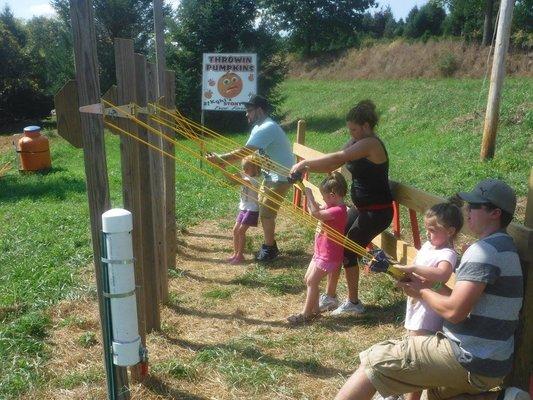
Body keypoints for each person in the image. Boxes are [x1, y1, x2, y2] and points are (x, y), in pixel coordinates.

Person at [334, 179, 528, 400]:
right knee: (432, 396)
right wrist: (426, 287)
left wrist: (421, 292)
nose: (467, 210)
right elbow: (466, 303)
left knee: (376, 362)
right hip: (492, 364)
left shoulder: (484, 251)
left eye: (474, 206)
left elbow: (455, 311)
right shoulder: (504, 247)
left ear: (495, 213)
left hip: (468, 358)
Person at [290, 100, 393, 315]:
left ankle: (354, 303)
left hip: (377, 211)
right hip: (362, 208)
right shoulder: (357, 140)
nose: (352, 134)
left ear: (366, 126)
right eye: (350, 130)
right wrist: (304, 166)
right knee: (337, 241)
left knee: (348, 250)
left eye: (354, 129)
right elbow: (331, 164)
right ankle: (330, 297)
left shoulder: (371, 143)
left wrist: (304, 164)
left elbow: (340, 157)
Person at [207, 94, 296, 262]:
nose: (246, 114)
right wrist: (224, 162)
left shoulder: (267, 127)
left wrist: (221, 159)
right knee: (264, 211)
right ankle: (270, 245)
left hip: (282, 177)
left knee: (267, 213)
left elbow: (244, 152)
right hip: (271, 176)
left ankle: (270, 249)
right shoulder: (258, 128)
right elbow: (246, 151)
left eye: (249, 110)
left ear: (259, 110)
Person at [394, 201, 463, 400]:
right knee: (411, 352)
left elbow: (442, 274)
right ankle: (402, 393)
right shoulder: (427, 246)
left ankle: (410, 397)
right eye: (426, 229)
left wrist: (413, 269)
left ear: (450, 231)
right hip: (416, 307)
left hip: (428, 314)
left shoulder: (447, 254)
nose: (428, 234)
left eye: (433, 230)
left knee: (416, 360)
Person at [287, 172, 348, 325]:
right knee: (308, 279)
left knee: (312, 282)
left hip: (329, 255)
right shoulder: (331, 206)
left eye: (325, 196)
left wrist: (309, 196)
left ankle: (306, 314)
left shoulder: (338, 211)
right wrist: (312, 200)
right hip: (320, 252)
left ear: (333, 195)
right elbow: (315, 210)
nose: (324, 199)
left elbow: (315, 213)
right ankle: (315, 311)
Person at [225, 155, 262, 265]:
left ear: (256, 168)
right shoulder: (246, 175)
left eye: (247, 169)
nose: (244, 171)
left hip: (252, 209)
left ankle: (240, 256)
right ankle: (235, 253)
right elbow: (233, 177)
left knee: (241, 231)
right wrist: (223, 167)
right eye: (243, 168)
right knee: (235, 230)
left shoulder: (255, 180)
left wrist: (223, 169)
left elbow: (237, 180)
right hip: (243, 208)